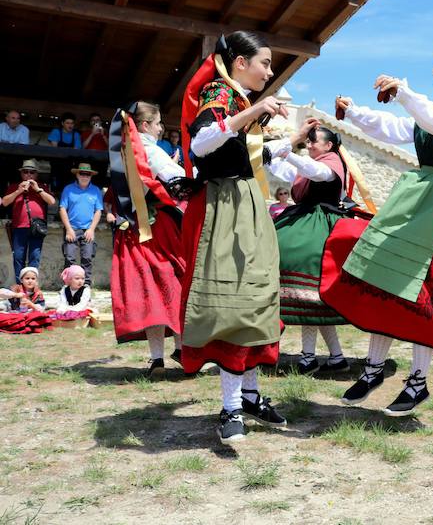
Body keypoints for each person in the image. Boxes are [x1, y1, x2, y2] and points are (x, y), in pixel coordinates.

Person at [320, 46, 433, 416]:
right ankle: (374, 369)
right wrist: (355, 111)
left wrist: (405, 94)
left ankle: (417, 382)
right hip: (422, 199)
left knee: (428, 293)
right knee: (384, 278)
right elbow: (397, 128)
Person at [180, 31, 288, 444]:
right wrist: (254, 111)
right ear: (240, 62)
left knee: (255, 299)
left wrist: (289, 142)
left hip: (244, 202)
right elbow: (202, 145)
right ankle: (230, 409)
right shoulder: (219, 93)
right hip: (223, 206)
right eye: (265, 62)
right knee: (233, 304)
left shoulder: (237, 100)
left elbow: (245, 157)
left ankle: (251, 396)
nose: (270, 70)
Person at [266, 117, 362, 376]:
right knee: (315, 301)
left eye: (313, 141)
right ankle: (336, 357)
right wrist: (272, 146)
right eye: (307, 141)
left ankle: (309, 357)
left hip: (322, 229)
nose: (308, 145)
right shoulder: (310, 164)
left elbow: (317, 173)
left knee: (311, 292)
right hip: (306, 222)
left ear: (329, 145)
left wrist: (290, 152)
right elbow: (278, 167)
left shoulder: (331, 163)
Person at [108, 102, 187, 378]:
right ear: (144, 126)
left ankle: (158, 358)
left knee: (150, 290)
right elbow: (178, 180)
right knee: (174, 282)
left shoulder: (121, 149)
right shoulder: (149, 149)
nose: (161, 127)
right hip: (157, 226)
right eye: (158, 123)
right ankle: (181, 350)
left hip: (131, 228)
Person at [2, 159, 56, 280]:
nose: (28, 175)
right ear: (21, 174)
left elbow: (52, 201)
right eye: (25, 172)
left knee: (34, 257)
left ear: (36, 174)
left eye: (32, 172)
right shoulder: (14, 186)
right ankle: (20, 285)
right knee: (18, 257)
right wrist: (18, 191)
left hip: (37, 227)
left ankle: (32, 286)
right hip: (19, 227)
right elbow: (5, 202)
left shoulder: (42, 187)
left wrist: (37, 189)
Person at [58, 163, 103, 285]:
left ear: (91, 176)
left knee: (87, 258)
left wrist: (92, 229)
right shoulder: (68, 189)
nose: (85, 176)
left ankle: (86, 285)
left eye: (87, 174)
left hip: (88, 229)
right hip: (72, 228)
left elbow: (98, 211)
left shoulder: (95, 190)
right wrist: (68, 229)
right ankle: (67, 285)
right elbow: (62, 208)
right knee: (69, 258)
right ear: (77, 175)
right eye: (82, 173)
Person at [0, 267, 53, 334]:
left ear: (36, 281)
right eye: (27, 278)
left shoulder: (38, 293)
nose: (30, 281)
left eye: (33, 279)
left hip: (27, 315)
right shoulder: (16, 289)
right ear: (21, 280)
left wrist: (31, 304)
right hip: (13, 311)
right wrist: (15, 295)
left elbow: (41, 309)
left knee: (37, 315)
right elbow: (1, 292)